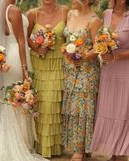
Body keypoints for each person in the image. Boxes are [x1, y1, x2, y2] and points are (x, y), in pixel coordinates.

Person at [0, 0, 48, 160]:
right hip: (17, 57)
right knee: (19, 98)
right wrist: (25, 68)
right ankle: (21, 141)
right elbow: (21, 40)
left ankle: (7, 139)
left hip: (5, 57)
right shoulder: (13, 9)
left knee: (9, 100)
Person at [27, 0, 69, 157]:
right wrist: (36, 47)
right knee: (41, 103)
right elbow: (23, 36)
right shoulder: (33, 14)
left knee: (54, 103)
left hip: (59, 63)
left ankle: (53, 147)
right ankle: (40, 146)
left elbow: (71, 34)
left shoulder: (66, 11)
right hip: (39, 64)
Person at [61, 0, 102, 160]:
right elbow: (66, 40)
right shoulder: (70, 14)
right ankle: (80, 147)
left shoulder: (94, 20)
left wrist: (82, 56)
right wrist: (67, 51)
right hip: (70, 69)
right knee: (72, 107)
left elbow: (98, 47)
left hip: (87, 70)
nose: (71, 1)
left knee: (83, 109)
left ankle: (80, 150)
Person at [91, 0, 129, 161]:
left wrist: (116, 56)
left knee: (122, 109)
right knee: (108, 109)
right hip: (107, 70)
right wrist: (102, 51)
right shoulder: (106, 14)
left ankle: (121, 152)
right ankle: (111, 150)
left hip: (125, 69)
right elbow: (98, 41)